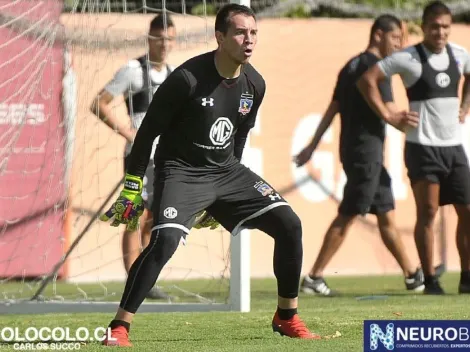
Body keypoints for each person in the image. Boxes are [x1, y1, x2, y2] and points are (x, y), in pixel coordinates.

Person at [99, 4, 320, 346]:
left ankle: (286, 316)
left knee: (290, 224)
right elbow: (147, 135)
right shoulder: (186, 79)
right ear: (220, 37)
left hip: (228, 172)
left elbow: (239, 135)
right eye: (240, 33)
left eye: (254, 33)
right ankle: (119, 325)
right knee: (165, 241)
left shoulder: (254, 84)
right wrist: (133, 184)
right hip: (181, 172)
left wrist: (227, 196)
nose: (249, 40)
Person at [294, 15, 437, 297]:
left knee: (386, 216)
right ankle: (314, 276)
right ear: (378, 35)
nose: (399, 45)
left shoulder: (351, 65)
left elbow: (333, 108)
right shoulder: (375, 69)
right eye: (396, 38)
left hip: (358, 152)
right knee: (348, 214)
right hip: (365, 154)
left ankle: (412, 275)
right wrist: (422, 125)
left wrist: (312, 146)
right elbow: (392, 111)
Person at [357, 1, 470, 295]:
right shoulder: (409, 57)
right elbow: (368, 80)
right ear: (424, 27)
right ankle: (430, 279)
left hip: (454, 147)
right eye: (435, 26)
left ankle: (467, 278)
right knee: (428, 212)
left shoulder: (459, 55)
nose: (441, 32)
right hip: (422, 147)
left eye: (446, 26)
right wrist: (388, 114)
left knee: (467, 210)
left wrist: (465, 105)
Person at [90, 13, 176, 300]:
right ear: (150, 39)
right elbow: (98, 103)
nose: (164, 45)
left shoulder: (173, 74)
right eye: (160, 39)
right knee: (134, 215)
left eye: (170, 40)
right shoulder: (134, 70)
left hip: (163, 156)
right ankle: (133, 278)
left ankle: (145, 278)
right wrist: (127, 132)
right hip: (138, 155)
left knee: (154, 218)